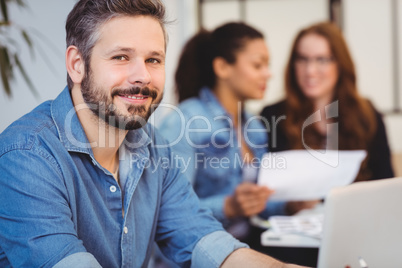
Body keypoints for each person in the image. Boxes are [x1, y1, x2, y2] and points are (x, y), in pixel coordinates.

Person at [0, 1, 306, 267]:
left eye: (153, 60)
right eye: (121, 57)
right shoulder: (26, 156)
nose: (142, 76)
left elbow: (202, 238)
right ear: (77, 65)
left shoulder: (153, 145)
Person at [158, 22, 316, 250]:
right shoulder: (183, 122)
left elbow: (256, 205)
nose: (268, 74)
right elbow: (170, 211)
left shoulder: (254, 126)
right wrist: (228, 206)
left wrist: (288, 206)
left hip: (244, 247)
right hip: (194, 254)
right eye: (257, 65)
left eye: (267, 65)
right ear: (222, 67)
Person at [260, 21, 394, 181]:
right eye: (302, 59)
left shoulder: (366, 115)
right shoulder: (273, 116)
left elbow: (385, 181)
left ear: (340, 64)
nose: (310, 71)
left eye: (322, 59)